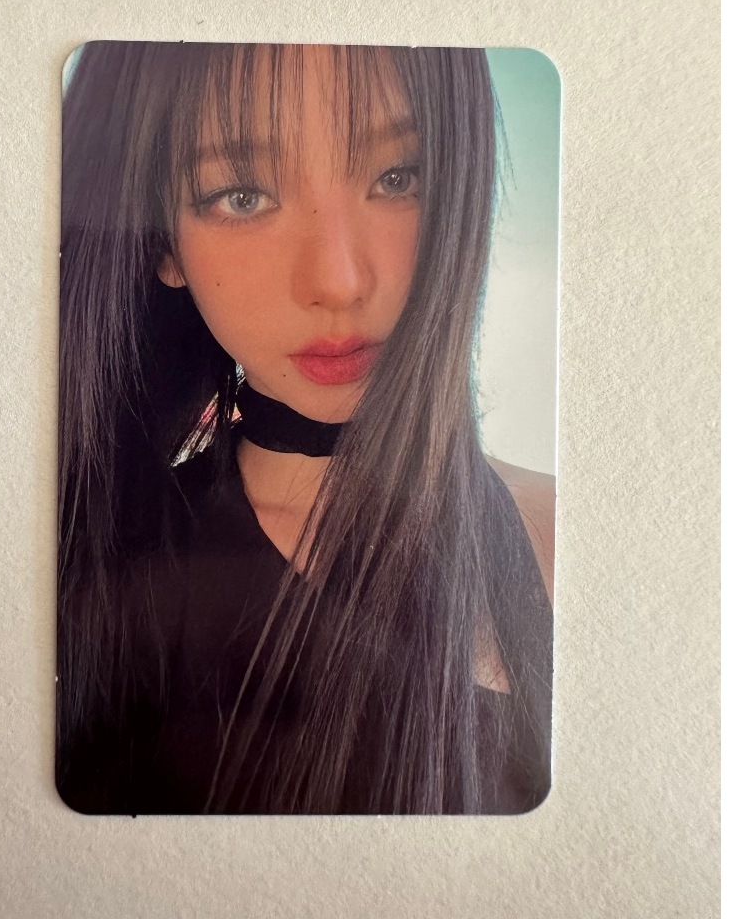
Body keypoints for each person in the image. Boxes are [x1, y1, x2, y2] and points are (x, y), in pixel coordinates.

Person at [57, 42, 554, 815]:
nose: (339, 282)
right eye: (242, 195)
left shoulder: (576, 540)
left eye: (399, 177)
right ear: (163, 242)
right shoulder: (91, 589)